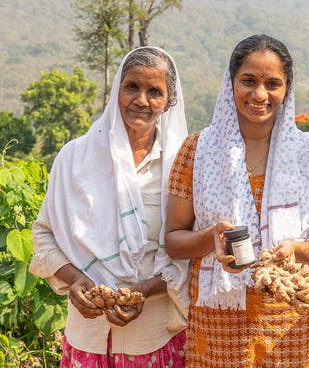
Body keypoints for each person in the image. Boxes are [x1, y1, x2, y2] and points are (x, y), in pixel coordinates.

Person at [165, 34, 309, 367]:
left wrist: (298, 250)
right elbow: (173, 241)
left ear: (287, 89)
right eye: (249, 81)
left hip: (293, 322)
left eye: (273, 83)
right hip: (219, 325)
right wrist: (210, 238)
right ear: (230, 83)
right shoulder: (197, 151)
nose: (260, 94)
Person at [29, 47, 190, 367]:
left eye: (154, 91)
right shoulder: (75, 159)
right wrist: (75, 279)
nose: (141, 100)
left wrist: (143, 291)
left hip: (152, 339)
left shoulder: (180, 168)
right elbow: (44, 234)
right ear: (117, 88)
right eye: (131, 87)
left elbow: (188, 254)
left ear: (169, 101)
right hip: (85, 335)